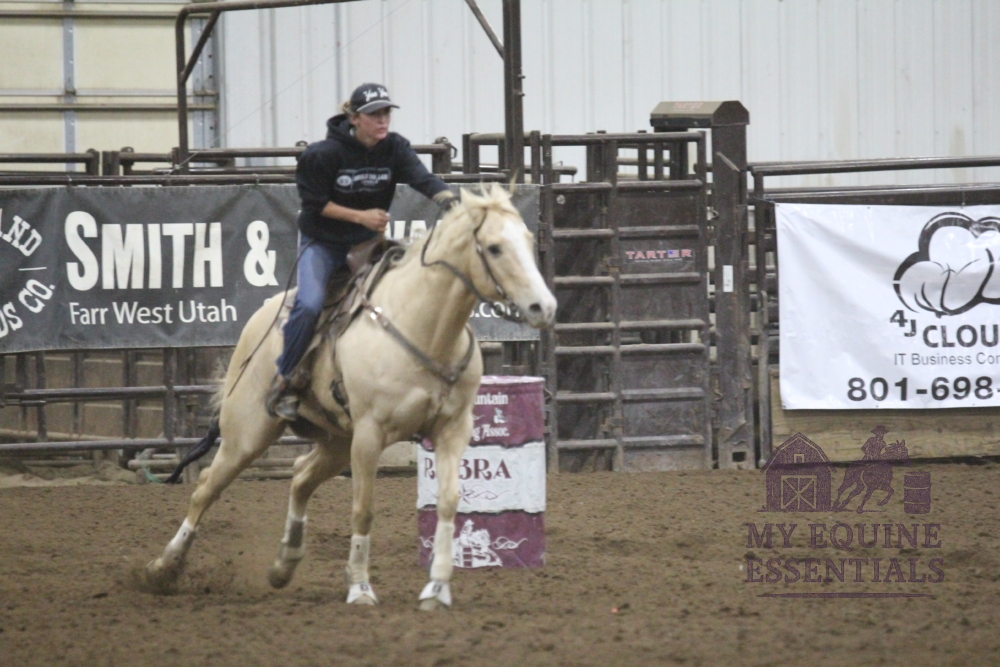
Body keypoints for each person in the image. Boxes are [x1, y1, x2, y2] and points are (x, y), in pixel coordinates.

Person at [266, 83, 458, 420]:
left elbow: (423, 180)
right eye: (374, 114)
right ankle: (285, 380)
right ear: (354, 118)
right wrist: (361, 217)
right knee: (309, 305)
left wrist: (455, 202)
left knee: (402, 297)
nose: (382, 120)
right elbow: (313, 204)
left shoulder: (394, 148)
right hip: (323, 243)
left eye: (386, 113)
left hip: (368, 245)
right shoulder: (323, 154)